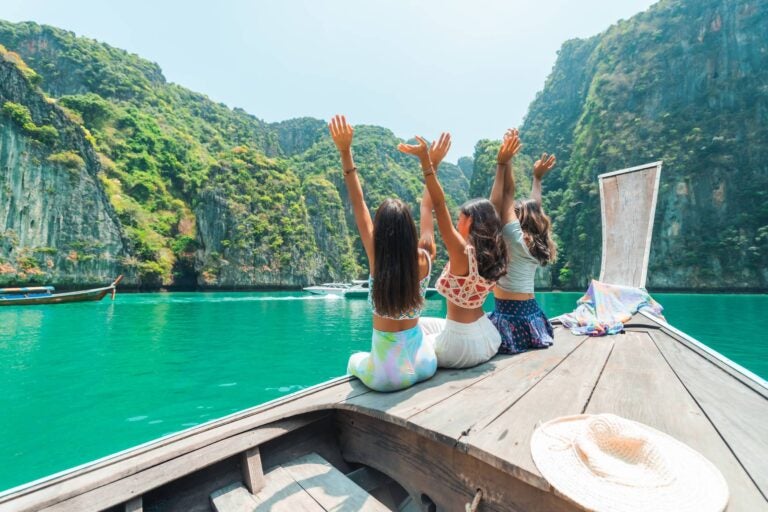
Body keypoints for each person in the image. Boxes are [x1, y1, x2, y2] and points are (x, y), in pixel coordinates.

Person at [329, 115, 437, 392]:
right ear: (409, 230)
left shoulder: (378, 259)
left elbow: (358, 201)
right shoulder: (424, 258)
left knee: (355, 359)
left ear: (382, 230)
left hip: (389, 376)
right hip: (425, 363)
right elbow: (429, 207)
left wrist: (345, 150)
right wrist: (430, 165)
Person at [399, 134, 507, 368]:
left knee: (403, 337)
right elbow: (494, 205)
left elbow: (435, 205)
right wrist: (501, 165)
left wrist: (428, 163)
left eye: (459, 218)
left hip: (460, 348)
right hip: (488, 336)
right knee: (417, 324)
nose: (456, 222)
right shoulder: (493, 251)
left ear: (469, 221)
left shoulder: (462, 251)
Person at [488, 129, 558, 354]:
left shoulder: (513, 237)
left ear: (520, 219)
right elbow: (535, 206)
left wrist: (504, 162)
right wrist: (537, 179)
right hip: (533, 317)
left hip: (509, 318)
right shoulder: (538, 243)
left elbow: (506, 194)